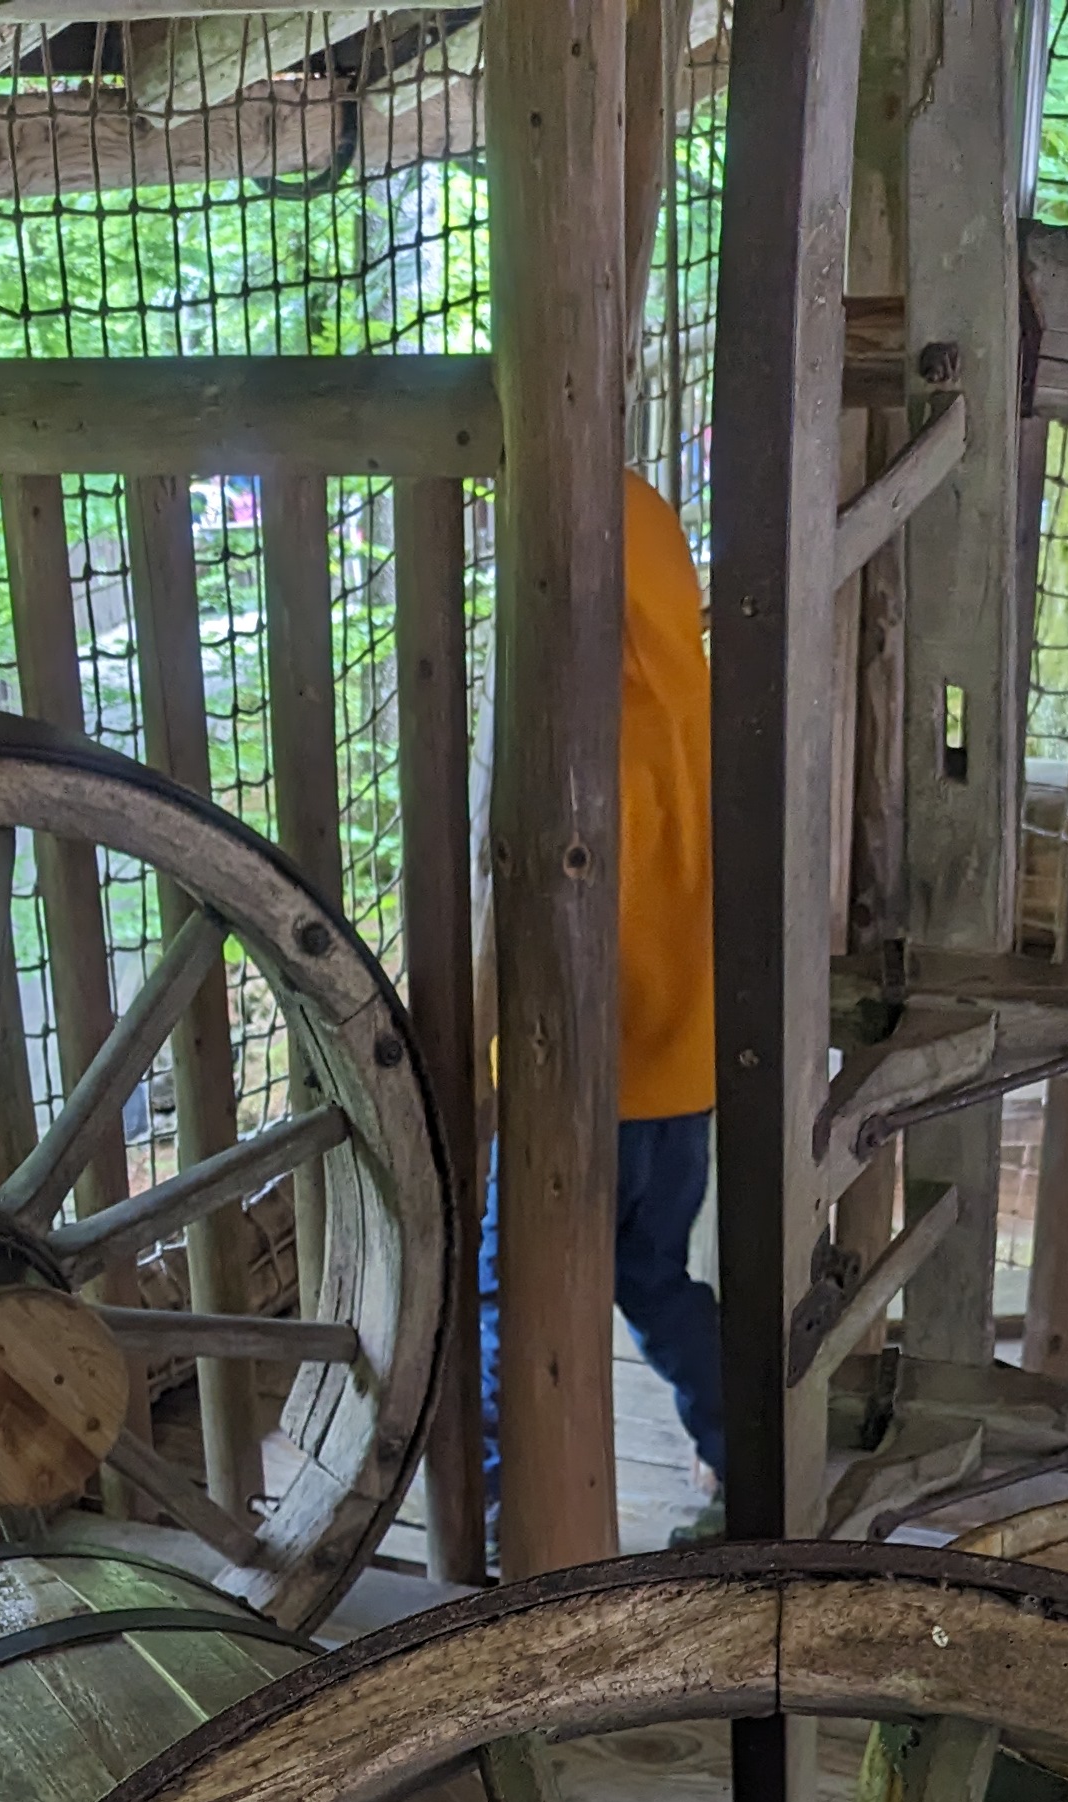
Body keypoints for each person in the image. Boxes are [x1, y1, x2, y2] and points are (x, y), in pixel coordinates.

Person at [477, 469, 724, 1541]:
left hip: (583, 1078)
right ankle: (742, 1453)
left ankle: (504, 1506)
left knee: (511, 1286)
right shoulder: (699, 714)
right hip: (687, 1078)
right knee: (654, 1278)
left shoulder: (581, 745)